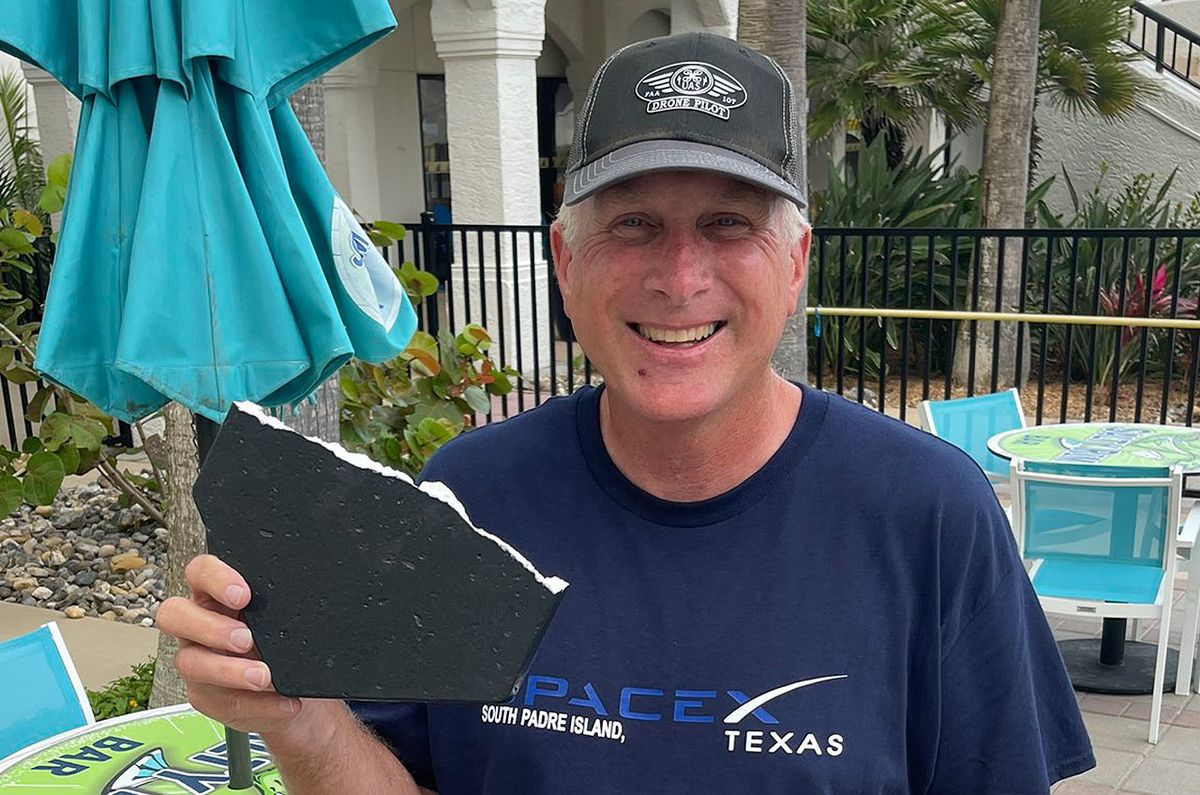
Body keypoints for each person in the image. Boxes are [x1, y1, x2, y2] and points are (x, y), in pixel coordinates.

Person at [157, 32, 1095, 793]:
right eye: (632, 223)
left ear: (798, 261)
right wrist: (301, 714)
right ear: (567, 264)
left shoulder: (928, 513)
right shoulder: (468, 494)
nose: (680, 277)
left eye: (729, 223)